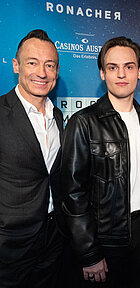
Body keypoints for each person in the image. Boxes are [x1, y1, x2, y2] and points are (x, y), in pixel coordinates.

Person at [61, 36, 140, 288]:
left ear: (139, 72)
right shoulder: (83, 122)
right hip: (103, 238)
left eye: (128, 66)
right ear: (102, 74)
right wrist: (89, 252)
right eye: (112, 67)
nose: (121, 74)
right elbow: (73, 193)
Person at [0, 29, 65, 288]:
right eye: (32, 63)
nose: (42, 73)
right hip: (9, 247)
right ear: (16, 66)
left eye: (49, 65)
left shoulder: (58, 117)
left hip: (54, 240)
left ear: (57, 71)